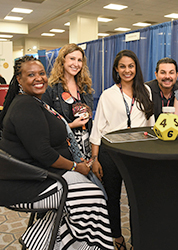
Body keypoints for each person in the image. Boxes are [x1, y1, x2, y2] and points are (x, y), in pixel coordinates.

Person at [0, 55, 114, 250]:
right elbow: (43, 153)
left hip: (41, 175)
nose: (39, 78)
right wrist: (75, 166)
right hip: (29, 184)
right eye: (31, 75)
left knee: (83, 199)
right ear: (19, 79)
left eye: (41, 73)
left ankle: (42, 241)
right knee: (93, 197)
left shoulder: (33, 102)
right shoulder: (25, 105)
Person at [90, 50, 155, 250]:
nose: (127, 70)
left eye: (131, 66)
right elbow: (98, 128)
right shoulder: (108, 95)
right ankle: (117, 238)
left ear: (136, 68)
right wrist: (95, 158)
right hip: (111, 153)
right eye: (122, 66)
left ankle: (138, 240)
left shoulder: (146, 91)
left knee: (137, 199)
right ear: (116, 70)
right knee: (112, 197)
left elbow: (150, 125)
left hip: (138, 154)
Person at [42, 43, 93, 160]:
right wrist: (71, 125)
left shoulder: (85, 87)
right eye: (72, 59)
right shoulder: (51, 89)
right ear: (62, 61)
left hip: (86, 146)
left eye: (79, 60)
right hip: (64, 148)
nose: (76, 64)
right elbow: (46, 125)